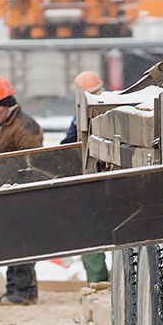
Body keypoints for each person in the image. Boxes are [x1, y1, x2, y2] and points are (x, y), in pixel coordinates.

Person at [0, 76, 45, 305]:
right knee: (12, 242)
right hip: (8, 193)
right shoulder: (2, 126)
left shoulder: (24, 126)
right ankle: (14, 290)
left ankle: (23, 292)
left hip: (22, 194)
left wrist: (21, 187)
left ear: (7, 104)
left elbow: (33, 162)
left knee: (22, 241)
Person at [61, 70, 109, 284]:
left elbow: (67, 145)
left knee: (90, 230)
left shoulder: (88, 113)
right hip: (94, 177)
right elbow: (68, 144)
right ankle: (98, 280)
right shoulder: (105, 110)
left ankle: (99, 280)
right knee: (91, 231)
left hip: (95, 177)